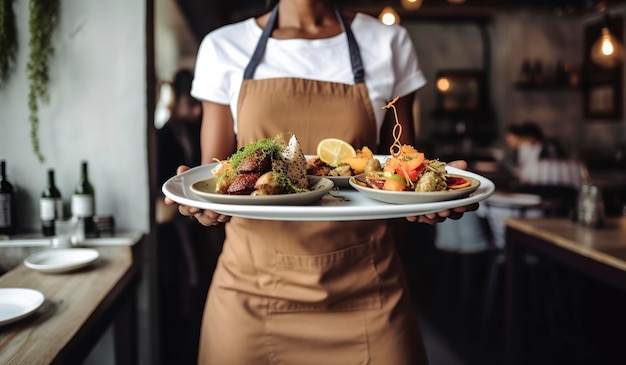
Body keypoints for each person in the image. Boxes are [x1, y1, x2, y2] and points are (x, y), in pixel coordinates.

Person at [165, 1, 477, 364]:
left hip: (368, 291)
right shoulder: (224, 46)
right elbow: (216, 174)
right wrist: (203, 207)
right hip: (250, 292)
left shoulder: (388, 43)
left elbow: (401, 164)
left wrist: (430, 196)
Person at [155, 69, 224, 364]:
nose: (197, 111)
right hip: (172, 226)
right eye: (191, 103)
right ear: (178, 100)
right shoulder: (162, 136)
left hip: (203, 223)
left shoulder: (198, 130)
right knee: (182, 286)